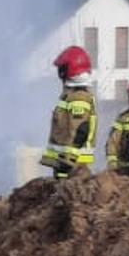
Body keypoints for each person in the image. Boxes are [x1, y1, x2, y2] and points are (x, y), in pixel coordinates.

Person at [42, 45, 97, 178]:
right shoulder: (72, 95)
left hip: (72, 166)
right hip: (66, 163)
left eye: (62, 68)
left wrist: (68, 161)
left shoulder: (78, 97)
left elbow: (80, 130)